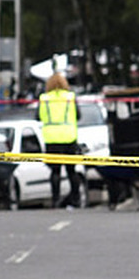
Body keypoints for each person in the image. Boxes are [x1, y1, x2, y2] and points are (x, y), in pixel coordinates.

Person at [37, 72, 83, 208]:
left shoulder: (44, 98)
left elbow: (38, 116)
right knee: (71, 171)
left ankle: (55, 200)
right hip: (69, 137)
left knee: (55, 171)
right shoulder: (70, 97)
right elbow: (78, 115)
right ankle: (76, 200)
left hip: (52, 138)